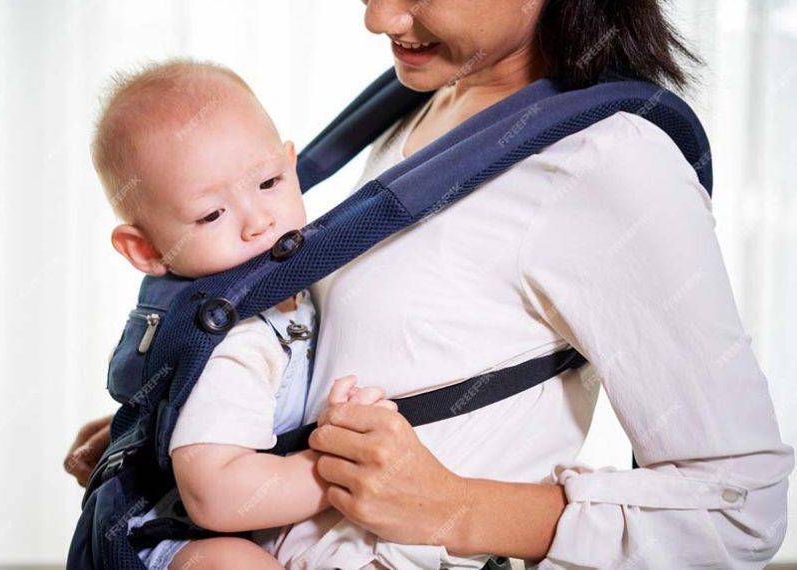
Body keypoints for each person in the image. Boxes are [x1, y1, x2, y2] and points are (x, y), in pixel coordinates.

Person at [68, 2, 794, 568]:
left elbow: (739, 513)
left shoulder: (607, 161)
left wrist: (454, 506)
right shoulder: (420, 103)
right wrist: (188, 415)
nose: (378, 16)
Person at [88, 59, 398, 569]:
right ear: (145, 249)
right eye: (212, 214)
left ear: (291, 164)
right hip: (170, 543)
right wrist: (338, 470)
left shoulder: (294, 281)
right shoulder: (234, 338)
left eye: (270, 182)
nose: (258, 221)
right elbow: (216, 495)